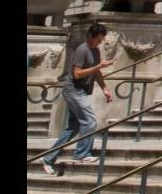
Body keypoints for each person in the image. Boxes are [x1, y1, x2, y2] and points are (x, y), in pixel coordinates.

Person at [41, 22, 114, 175]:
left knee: (72, 128)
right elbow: (77, 74)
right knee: (90, 121)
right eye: (98, 39)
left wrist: (105, 89)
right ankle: (81, 154)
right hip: (73, 91)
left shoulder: (95, 51)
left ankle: (48, 159)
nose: (99, 42)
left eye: (101, 40)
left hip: (81, 92)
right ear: (91, 37)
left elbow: (97, 73)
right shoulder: (82, 50)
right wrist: (98, 67)